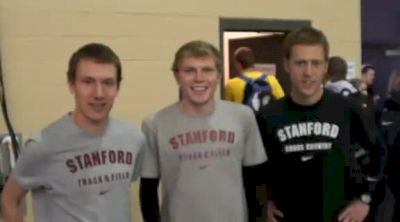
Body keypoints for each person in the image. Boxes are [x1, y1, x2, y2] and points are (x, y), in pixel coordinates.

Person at [1, 43, 145, 222]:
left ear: (117, 88)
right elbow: (9, 198)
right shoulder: (44, 145)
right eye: (88, 82)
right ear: (72, 85)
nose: (98, 93)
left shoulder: (133, 139)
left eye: (108, 83)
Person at [256, 27, 383, 222]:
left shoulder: (349, 110)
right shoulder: (267, 116)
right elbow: (255, 171)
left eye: (316, 63)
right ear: (287, 65)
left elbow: (379, 155)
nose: (308, 72)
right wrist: (264, 202)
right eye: (300, 63)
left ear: (325, 67)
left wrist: (365, 199)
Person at [139, 40, 267, 222]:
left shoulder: (243, 117)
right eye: (189, 71)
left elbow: (256, 184)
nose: (199, 78)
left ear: (219, 75)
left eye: (207, 70)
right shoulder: (155, 124)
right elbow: (148, 192)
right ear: (177, 76)